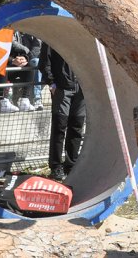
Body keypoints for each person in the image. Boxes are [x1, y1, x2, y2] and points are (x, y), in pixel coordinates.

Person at [39, 44, 86, 182]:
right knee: (59, 127)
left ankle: (71, 164)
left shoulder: (80, 36)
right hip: (62, 88)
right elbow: (44, 62)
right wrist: (51, 83)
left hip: (81, 89)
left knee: (77, 127)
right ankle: (56, 166)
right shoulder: (52, 35)